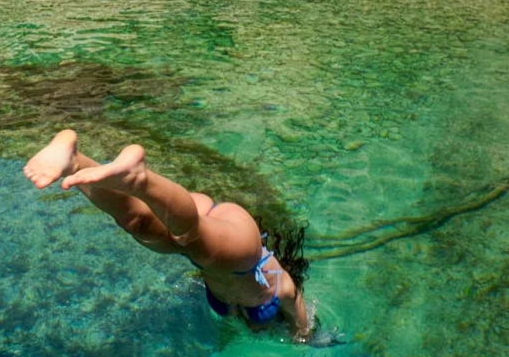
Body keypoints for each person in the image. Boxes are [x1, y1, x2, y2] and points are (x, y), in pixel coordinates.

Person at [23, 129, 313, 340]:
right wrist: (305, 338)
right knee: (192, 237)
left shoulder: (239, 304)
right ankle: (140, 178)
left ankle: (74, 161)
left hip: (200, 226)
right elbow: (303, 324)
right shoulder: (282, 289)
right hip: (242, 247)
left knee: (138, 223)